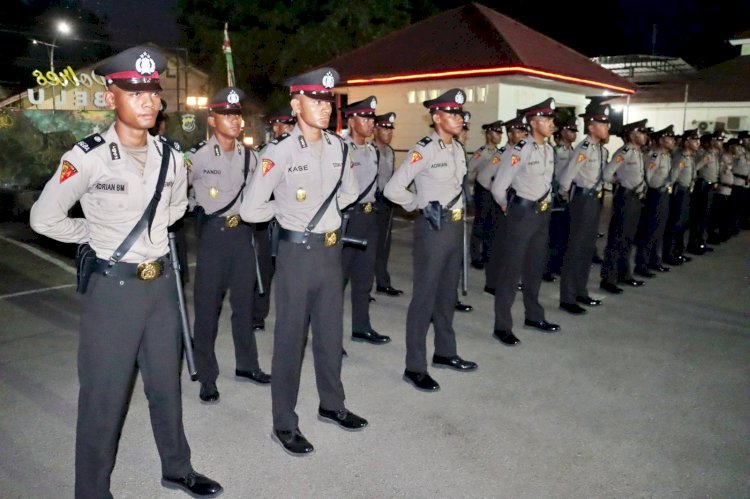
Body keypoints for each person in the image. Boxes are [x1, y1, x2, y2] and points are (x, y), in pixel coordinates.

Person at [29, 46, 221, 498]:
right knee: (104, 398)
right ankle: (92, 491)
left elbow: (174, 211)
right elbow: (44, 218)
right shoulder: (88, 156)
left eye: (152, 91)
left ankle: (177, 468)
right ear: (111, 95)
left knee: (165, 387)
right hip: (112, 291)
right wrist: (95, 234)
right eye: (134, 91)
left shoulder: (172, 156)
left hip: (161, 290)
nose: (148, 101)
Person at [240, 67, 368, 456]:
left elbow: (349, 192)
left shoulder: (339, 147)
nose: (325, 108)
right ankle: (284, 423)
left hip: (331, 251)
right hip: (296, 254)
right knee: (290, 341)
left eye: (328, 100)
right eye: (315, 100)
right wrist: (288, 214)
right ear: (296, 104)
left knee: (330, 336)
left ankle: (332, 404)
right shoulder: (277, 152)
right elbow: (250, 209)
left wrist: (321, 216)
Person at [385, 88, 478, 392]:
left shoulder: (457, 150)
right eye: (452, 114)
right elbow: (393, 189)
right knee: (424, 297)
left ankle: (445, 352)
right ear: (437, 117)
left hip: (454, 229)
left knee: (447, 295)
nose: (459, 119)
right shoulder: (424, 149)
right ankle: (415, 366)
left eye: (460, 114)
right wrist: (418, 204)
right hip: (433, 230)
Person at [188, 87, 270, 404]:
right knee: (207, 311)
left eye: (237, 115)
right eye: (227, 115)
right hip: (213, 237)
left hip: (242, 237)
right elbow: (174, 191)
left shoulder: (252, 156)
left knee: (244, 307)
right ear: (212, 119)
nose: (235, 121)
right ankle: (207, 377)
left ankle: (247, 365)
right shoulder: (197, 156)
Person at [489, 98, 560, 346]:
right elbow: (498, 186)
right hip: (522, 213)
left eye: (552, 119)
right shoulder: (520, 150)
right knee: (511, 271)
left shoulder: (548, 149)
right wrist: (507, 205)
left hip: (542, 213)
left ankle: (533, 315)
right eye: (547, 119)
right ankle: (502, 326)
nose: (552, 124)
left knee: (535, 266)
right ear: (533, 122)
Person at [341, 96, 391, 345]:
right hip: (348, 218)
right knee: (337, 282)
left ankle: (361, 327)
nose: (371, 123)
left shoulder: (372, 152)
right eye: (365, 117)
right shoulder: (340, 149)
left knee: (364, 278)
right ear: (351, 120)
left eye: (372, 118)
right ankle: (330, 339)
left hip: (370, 218)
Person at [557, 103, 610, 315]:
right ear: (591, 127)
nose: (607, 128)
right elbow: (567, 176)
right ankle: (567, 297)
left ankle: (581, 290)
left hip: (594, 200)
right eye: (603, 124)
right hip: (582, 200)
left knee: (587, 248)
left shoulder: (600, 149)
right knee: (576, 247)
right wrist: (566, 194)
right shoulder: (584, 148)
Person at [252, 107, 297, 331]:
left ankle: (289, 319)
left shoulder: (301, 150)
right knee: (265, 268)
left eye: (286, 125)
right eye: (277, 125)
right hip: (268, 219)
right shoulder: (266, 151)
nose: (281, 129)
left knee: (290, 273)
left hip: (291, 218)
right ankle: (258, 314)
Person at [599, 119, 649, 294]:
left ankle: (623, 273)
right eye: (641, 133)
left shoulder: (638, 153)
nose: (645, 136)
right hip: (625, 199)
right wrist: (620, 183)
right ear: (632, 134)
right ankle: (609, 278)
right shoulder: (625, 152)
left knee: (628, 238)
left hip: (636, 199)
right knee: (618, 238)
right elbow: (607, 174)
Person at [483, 115, 528, 295]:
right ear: (510, 135)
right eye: (518, 132)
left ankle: (508, 280)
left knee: (512, 245)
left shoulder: (523, 151)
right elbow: (483, 177)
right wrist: (497, 193)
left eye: (524, 132)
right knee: (497, 245)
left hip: (515, 203)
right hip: (501, 203)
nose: (523, 135)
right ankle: (492, 283)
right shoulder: (502, 154)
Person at [634, 125, 676, 277]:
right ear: (660, 140)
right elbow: (649, 177)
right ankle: (642, 264)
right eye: (668, 138)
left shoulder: (667, 156)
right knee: (650, 230)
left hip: (664, 195)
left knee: (659, 229)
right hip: (655, 195)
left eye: (672, 138)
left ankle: (654, 260)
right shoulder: (655, 156)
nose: (672, 141)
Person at [372, 112, 404, 296]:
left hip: (386, 203)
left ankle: (383, 282)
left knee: (384, 244)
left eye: (390, 129)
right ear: (375, 130)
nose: (388, 132)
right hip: (372, 202)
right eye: (384, 128)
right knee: (369, 246)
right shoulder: (369, 150)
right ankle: (364, 286)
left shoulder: (390, 151)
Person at [467, 120, 504, 270]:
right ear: (489, 134)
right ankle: (475, 256)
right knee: (480, 224)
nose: (500, 136)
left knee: (492, 224)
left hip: (495, 190)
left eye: (501, 133)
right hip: (483, 191)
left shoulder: (501, 152)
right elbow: (469, 171)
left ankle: (487, 254)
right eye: (497, 132)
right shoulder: (480, 153)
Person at [545, 116, 578, 281]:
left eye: (574, 131)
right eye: (570, 130)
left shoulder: (575, 151)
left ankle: (558, 265)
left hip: (570, 196)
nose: (573, 134)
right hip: (556, 196)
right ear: (562, 131)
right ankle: (547, 268)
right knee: (553, 234)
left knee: (565, 234)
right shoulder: (555, 151)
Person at [663, 129, 700, 265]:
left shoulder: (690, 157)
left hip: (687, 192)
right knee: (675, 224)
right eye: (694, 140)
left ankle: (679, 251)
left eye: (698, 140)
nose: (697, 143)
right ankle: (670, 254)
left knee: (683, 223)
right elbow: (673, 176)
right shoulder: (682, 158)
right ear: (686, 142)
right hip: (680, 192)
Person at [687, 131, 724, 254]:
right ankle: (696, 243)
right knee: (700, 216)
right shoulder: (707, 155)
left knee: (706, 216)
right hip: (704, 187)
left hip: (711, 187)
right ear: (713, 142)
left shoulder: (714, 155)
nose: (721, 142)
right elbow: (695, 167)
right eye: (719, 140)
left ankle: (702, 242)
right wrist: (699, 180)